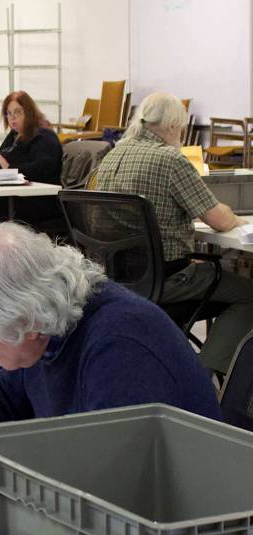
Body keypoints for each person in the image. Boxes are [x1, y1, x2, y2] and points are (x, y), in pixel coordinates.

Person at [0, 222, 221, 460]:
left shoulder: (122, 348)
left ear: (27, 323)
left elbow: (113, 469)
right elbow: (7, 396)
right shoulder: (51, 324)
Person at [94, 92, 253, 376]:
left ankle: (172, 364)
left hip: (121, 278)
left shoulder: (112, 155)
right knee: (248, 294)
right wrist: (235, 217)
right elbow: (218, 219)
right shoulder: (170, 159)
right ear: (170, 125)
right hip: (168, 279)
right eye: (180, 127)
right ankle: (201, 374)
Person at [0, 91, 63, 228]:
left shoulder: (44, 136)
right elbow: (0, 159)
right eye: (9, 113)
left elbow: (42, 169)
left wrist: (10, 168)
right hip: (16, 195)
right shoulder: (14, 135)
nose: (12, 118)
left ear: (28, 112)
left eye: (18, 112)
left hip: (39, 199)